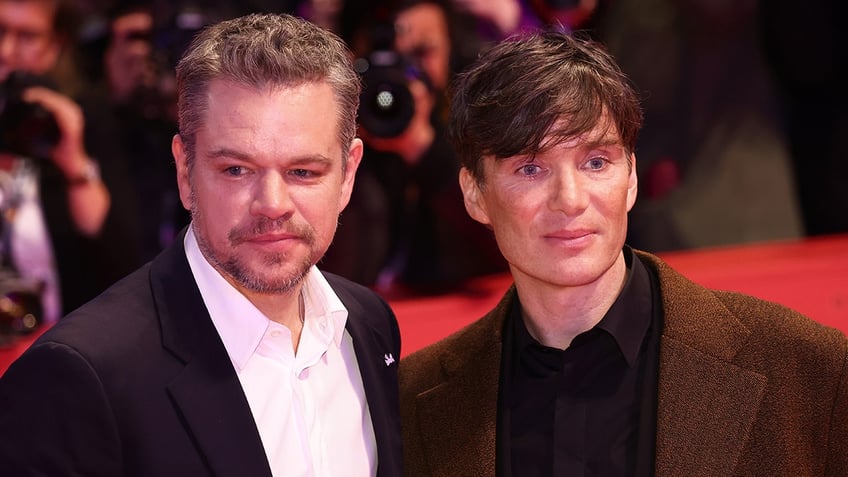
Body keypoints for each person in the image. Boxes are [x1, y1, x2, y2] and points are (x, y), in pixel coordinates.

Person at [399, 31, 847, 476]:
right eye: (531, 169)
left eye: (596, 162)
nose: (570, 199)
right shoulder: (413, 399)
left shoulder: (807, 369)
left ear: (630, 177)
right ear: (475, 194)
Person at [0, 12, 402, 476]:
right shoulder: (78, 377)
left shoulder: (370, 326)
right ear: (185, 171)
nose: (272, 204)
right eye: (236, 170)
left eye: (303, 172)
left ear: (348, 175)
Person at [0, 0, 139, 324]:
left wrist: (74, 162)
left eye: (27, 37)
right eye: (0, 31)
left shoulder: (81, 120)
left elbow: (121, 263)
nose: (6, 50)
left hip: (47, 342)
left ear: (54, 47)